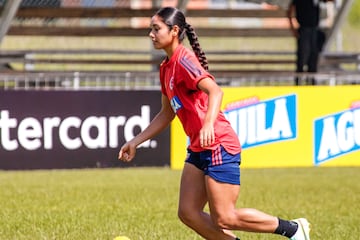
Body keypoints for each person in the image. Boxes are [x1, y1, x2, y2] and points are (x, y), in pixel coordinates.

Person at [118, 7, 310, 240]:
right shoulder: (165, 67)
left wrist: (208, 124)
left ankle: (293, 229)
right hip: (199, 147)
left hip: (218, 143)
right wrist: (135, 141)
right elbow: (167, 113)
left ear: (174, 30)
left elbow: (215, 91)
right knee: (188, 212)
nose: (151, 34)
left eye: (156, 28)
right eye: (151, 28)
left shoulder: (185, 60)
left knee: (225, 217)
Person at [287, 0, 332, 85]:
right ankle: (299, 83)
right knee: (302, 58)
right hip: (304, 29)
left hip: (314, 30)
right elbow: (290, 11)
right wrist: (293, 29)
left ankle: (312, 84)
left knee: (313, 59)